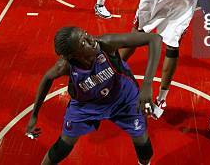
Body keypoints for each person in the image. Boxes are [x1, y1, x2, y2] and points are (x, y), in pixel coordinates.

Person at [25, 27, 161, 165]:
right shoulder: (65, 66)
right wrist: (34, 115)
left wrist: (147, 84)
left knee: (144, 147)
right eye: (83, 43)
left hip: (123, 98)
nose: (90, 39)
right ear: (74, 55)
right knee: (62, 148)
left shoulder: (106, 43)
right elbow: (47, 78)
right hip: (87, 106)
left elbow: (154, 39)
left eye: (85, 33)